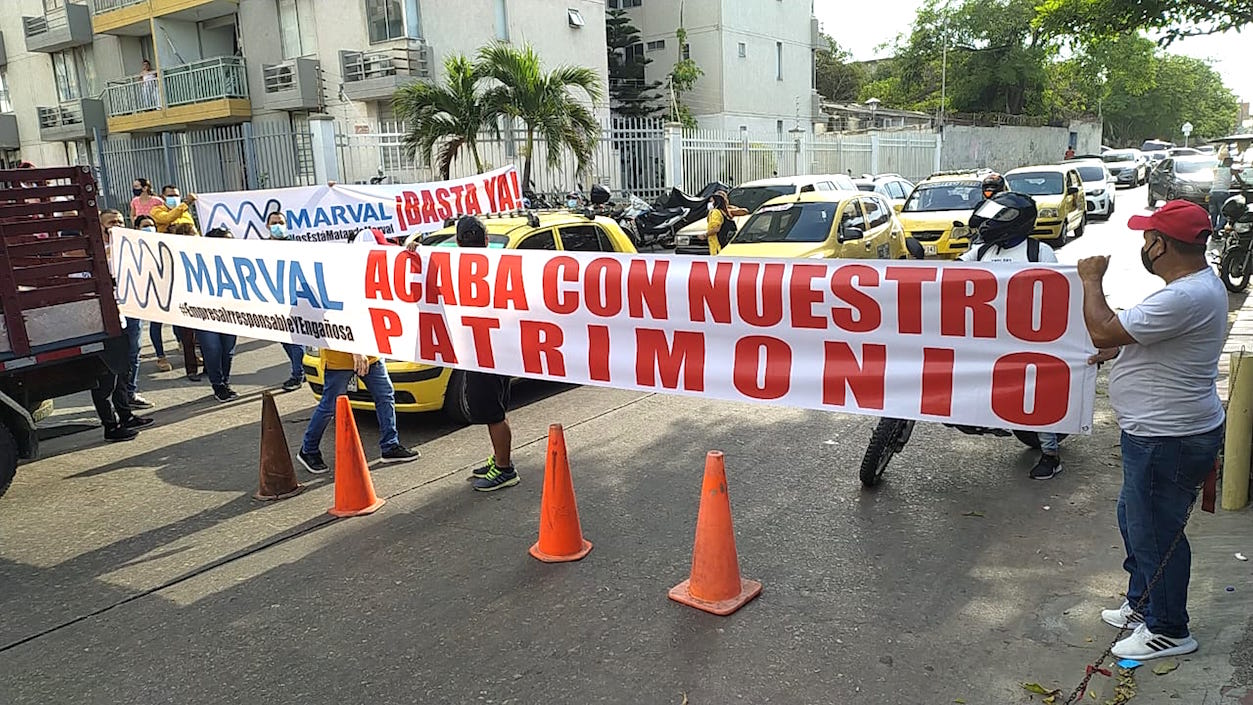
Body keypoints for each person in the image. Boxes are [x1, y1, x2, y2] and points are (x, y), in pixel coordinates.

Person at [1079, 199, 1225, 661]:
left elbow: (1102, 330)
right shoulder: (1190, 288)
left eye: (1147, 238)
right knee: (1135, 520)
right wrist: (1122, 353)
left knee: (1156, 534)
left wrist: (1090, 281)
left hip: (1169, 439)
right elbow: (1143, 341)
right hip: (1162, 434)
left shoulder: (1184, 295)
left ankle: (1168, 628)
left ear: (1161, 245)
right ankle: (1143, 604)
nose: (1144, 246)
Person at [958, 191, 1063, 480]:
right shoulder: (982, 251)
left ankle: (1050, 454)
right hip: (983, 333)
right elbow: (951, 272)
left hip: (1024, 337)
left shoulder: (1038, 253)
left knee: (1035, 390)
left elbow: (1055, 295)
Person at [450, 216, 519, 491]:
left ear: (457, 242)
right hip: (497, 349)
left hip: (485, 352)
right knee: (496, 410)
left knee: (493, 414)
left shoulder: (455, 270)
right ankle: (500, 459)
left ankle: (505, 469)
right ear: (487, 240)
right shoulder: (500, 266)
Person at [296, 351, 419, 473]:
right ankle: (308, 450)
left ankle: (390, 446)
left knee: (385, 396)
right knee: (330, 406)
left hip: (370, 356)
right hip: (340, 360)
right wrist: (356, 352)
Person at [100, 209, 153, 410]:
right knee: (114, 354)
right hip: (110, 308)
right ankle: (115, 398)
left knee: (134, 350)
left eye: (121, 221)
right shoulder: (94, 249)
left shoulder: (134, 245)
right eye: (112, 222)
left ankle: (130, 392)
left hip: (131, 304)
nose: (118, 225)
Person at [266, 211, 308, 392]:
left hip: (294, 299)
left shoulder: (295, 246)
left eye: (281, 222)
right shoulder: (259, 248)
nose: (277, 225)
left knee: (296, 338)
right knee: (283, 338)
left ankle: (297, 374)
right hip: (274, 300)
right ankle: (302, 369)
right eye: (274, 222)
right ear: (267, 226)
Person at [196, 226, 238, 402]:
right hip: (204, 313)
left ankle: (225, 382)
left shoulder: (238, 261)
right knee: (213, 349)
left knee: (227, 351)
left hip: (229, 312)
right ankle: (218, 385)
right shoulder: (198, 262)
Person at [166, 220, 201, 380]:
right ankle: (191, 369)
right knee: (188, 338)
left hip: (202, 300)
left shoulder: (204, 252)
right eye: (190, 234)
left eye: (194, 234)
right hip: (183, 301)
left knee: (205, 337)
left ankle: (209, 366)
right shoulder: (173, 256)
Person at [705, 190, 747, 257]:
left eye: (712, 201)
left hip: (718, 244)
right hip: (721, 243)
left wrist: (705, 235)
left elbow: (744, 211)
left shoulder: (718, 212)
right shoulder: (719, 212)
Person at [1211, 146, 1234, 230]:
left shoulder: (1216, 168)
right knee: (1223, 213)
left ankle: (1212, 229)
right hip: (1223, 192)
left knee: (1213, 213)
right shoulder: (1231, 170)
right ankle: (1218, 229)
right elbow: (1239, 179)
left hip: (1213, 192)